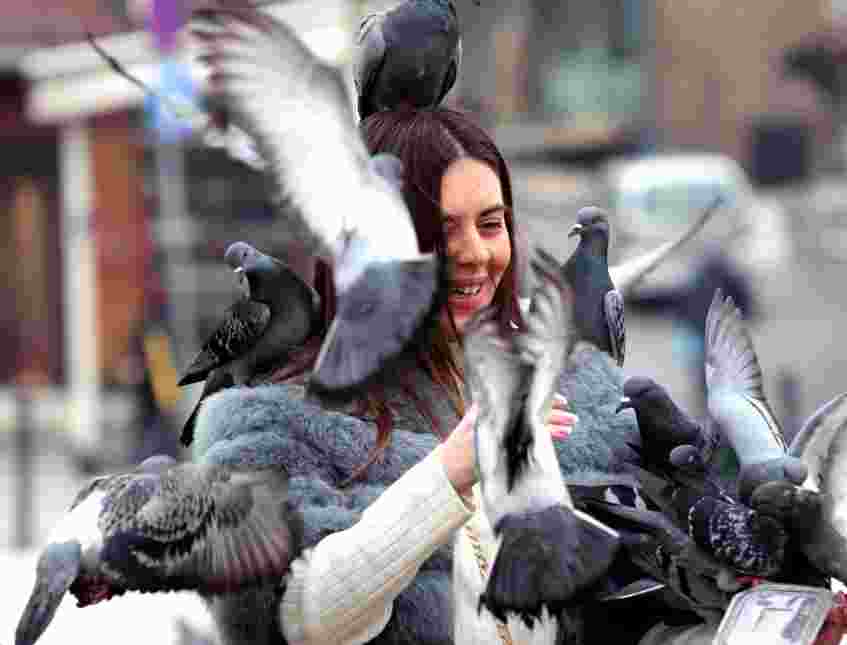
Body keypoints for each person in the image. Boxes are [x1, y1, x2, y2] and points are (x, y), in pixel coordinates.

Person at [190, 106, 643, 645]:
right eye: (440, 230)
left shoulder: (574, 400)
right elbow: (300, 617)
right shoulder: (281, 426)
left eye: (491, 224)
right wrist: (452, 468)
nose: (475, 253)